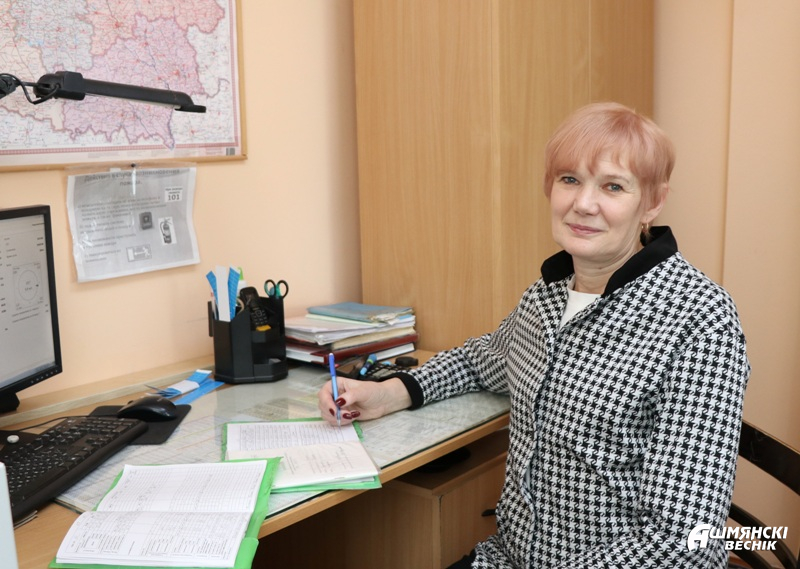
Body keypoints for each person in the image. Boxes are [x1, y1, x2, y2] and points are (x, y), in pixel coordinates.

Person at [317, 102, 750, 568]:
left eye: (613, 186)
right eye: (570, 179)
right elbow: (482, 360)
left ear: (652, 202)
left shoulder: (700, 320)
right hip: (510, 555)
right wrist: (389, 392)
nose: (583, 204)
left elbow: (683, 541)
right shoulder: (548, 294)